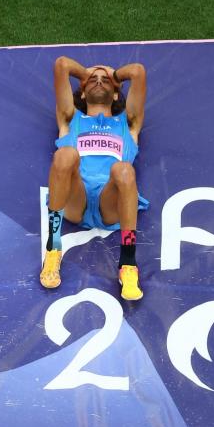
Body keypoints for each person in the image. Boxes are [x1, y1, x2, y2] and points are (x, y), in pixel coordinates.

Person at [39, 56, 149, 300]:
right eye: (92, 81)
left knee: (123, 169)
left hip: (111, 201)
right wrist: (85, 74)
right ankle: (53, 249)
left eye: (105, 81)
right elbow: (61, 65)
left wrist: (116, 75)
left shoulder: (128, 124)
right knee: (65, 154)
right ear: (81, 93)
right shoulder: (70, 119)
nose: (99, 82)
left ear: (117, 94)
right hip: (75, 197)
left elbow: (138, 72)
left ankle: (128, 265)